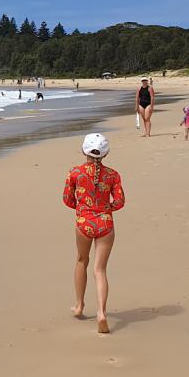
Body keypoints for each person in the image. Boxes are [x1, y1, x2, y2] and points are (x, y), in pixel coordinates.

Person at [62, 133, 125, 334]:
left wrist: (83, 209)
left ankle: (79, 306)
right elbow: (120, 201)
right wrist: (105, 208)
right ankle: (101, 313)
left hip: (84, 222)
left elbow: (67, 200)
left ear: (83, 151)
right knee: (100, 270)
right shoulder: (113, 175)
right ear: (105, 154)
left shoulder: (74, 173)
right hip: (105, 223)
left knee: (82, 260)